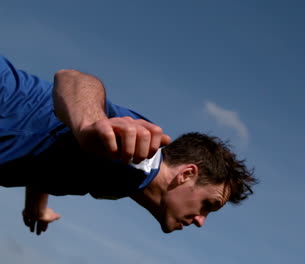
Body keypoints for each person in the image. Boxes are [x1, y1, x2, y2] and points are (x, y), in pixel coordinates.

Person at [0, 55, 257, 235]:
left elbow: (51, 156)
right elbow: (73, 79)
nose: (201, 221)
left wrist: (35, 207)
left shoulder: (128, 183)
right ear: (187, 174)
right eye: (207, 205)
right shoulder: (139, 154)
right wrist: (90, 122)